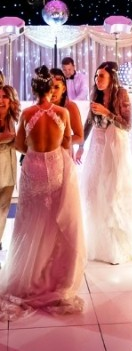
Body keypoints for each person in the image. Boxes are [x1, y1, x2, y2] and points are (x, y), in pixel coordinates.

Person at [0, 67, 85, 317]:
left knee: (30, 222)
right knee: (54, 224)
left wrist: (33, 147)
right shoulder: (62, 113)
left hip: (34, 168)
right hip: (56, 167)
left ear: (33, 90)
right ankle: (53, 276)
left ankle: (31, 275)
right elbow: (67, 143)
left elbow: (19, 145)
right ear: (51, 90)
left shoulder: (27, 114)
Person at [79, 61, 132, 264]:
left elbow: (127, 125)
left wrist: (107, 112)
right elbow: (89, 122)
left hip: (115, 147)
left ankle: (116, 247)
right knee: (94, 191)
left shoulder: (122, 95)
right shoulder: (96, 94)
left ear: (111, 78)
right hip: (97, 146)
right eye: (96, 76)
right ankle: (98, 244)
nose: (97, 80)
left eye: (101, 76)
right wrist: (81, 144)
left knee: (112, 192)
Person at [0, 84, 19, 250]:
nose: (1, 100)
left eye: (4, 97)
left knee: (3, 209)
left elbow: (20, 144)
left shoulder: (13, 119)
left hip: (9, 168)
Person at [50, 67, 84, 158]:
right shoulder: (41, 106)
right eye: (49, 86)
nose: (52, 91)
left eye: (56, 87)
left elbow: (80, 136)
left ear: (64, 89)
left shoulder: (70, 107)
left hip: (63, 154)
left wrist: (56, 142)